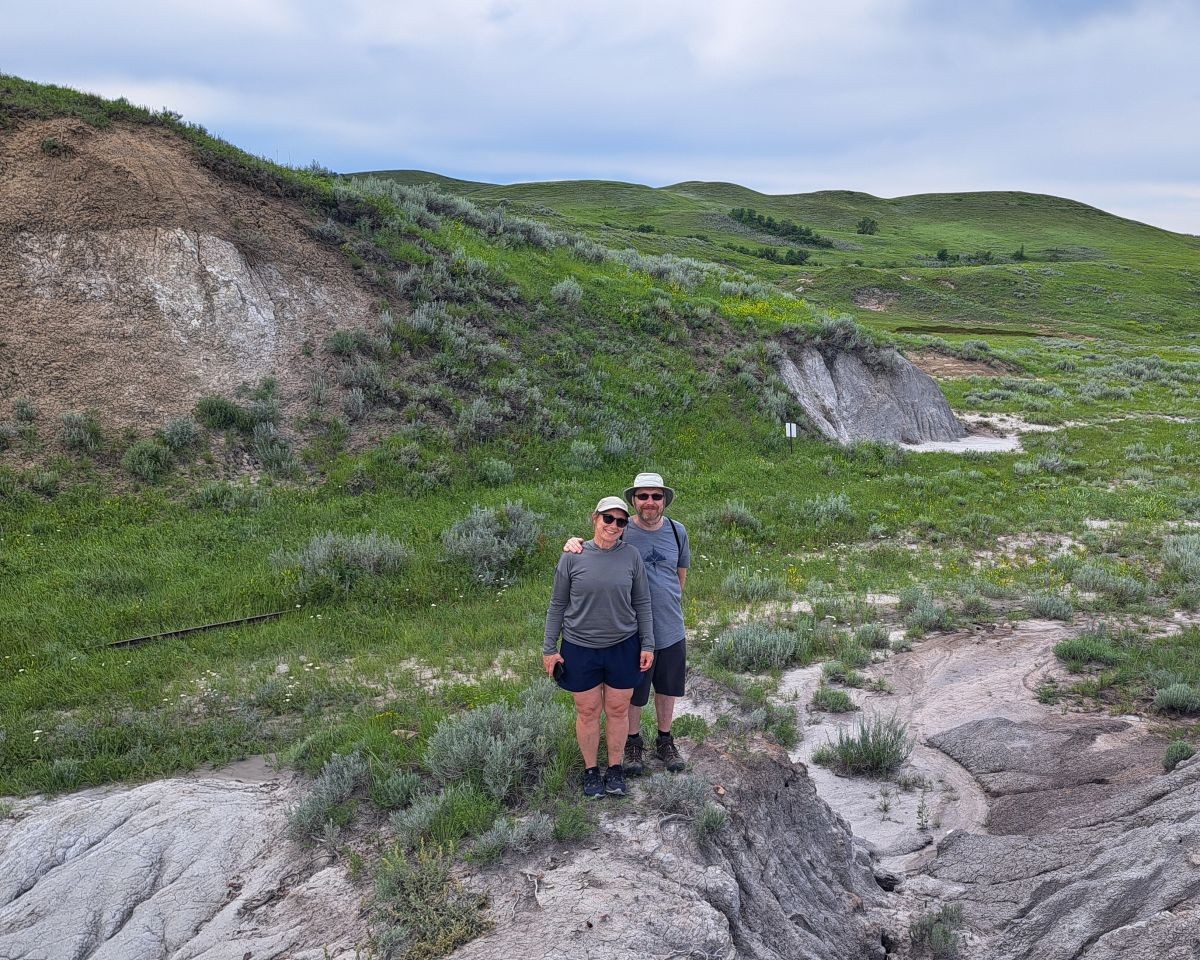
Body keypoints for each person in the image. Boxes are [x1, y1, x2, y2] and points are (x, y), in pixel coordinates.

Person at [564, 472, 690, 774]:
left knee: (667, 688)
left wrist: (666, 602)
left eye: (656, 496)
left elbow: (681, 575)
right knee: (634, 691)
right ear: (633, 500)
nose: (649, 502)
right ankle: (633, 744)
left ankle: (664, 740)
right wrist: (573, 542)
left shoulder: (677, 531)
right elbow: (598, 544)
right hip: (632, 630)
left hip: (671, 626)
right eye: (643, 496)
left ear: (664, 501)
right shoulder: (622, 529)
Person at [544, 496, 655, 799]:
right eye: (608, 518)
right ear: (595, 518)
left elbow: (642, 603)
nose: (614, 526)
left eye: (621, 521)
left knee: (618, 710)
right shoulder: (572, 556)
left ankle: (615, 769)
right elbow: (557, 604)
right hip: (580, 647)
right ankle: (592, 771)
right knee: (588, 710)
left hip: (623, 646)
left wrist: (648, 644)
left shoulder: (631, 556)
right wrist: (549, 648)